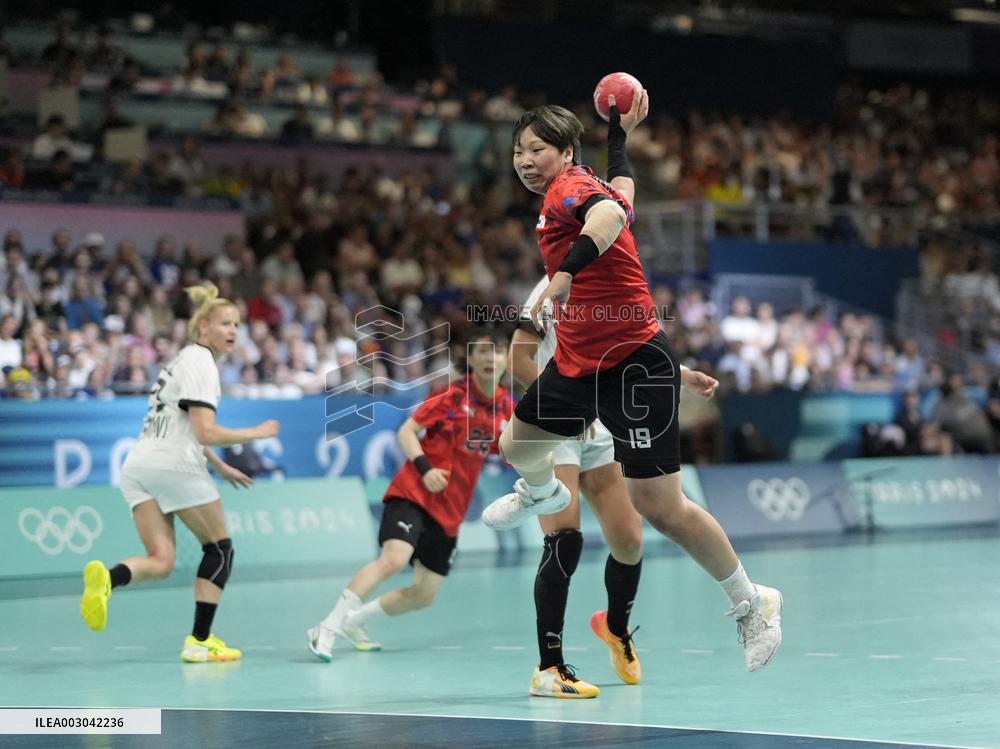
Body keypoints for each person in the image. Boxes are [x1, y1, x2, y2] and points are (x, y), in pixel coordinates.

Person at [482, 93, 783, 674]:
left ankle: (752, 600)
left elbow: (611, 216)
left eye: (536, 149)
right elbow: (624, 190)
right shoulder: (583, 182)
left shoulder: (570, 189)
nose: (524, 160)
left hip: (632, 365)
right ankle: (540, 492)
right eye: (518, 151)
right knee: (516, 445)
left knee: (659, 507)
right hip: (578, 361)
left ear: (566, 153)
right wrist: (619, 133)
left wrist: (565, 272)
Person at [79, 283, 281, 663]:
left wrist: (220, 466)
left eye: (237, 324)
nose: (233, 331)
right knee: (219, 549)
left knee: (161, 560)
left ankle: (106, 578)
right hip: (175, 466)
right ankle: (200, 640)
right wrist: (256, 432)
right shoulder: (203, 363)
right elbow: (205, 430)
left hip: (139, 465)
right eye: (224, 323)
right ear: (202, 327)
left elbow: (186, 425)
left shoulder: (182, 360)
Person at [307, 328, 513, 660]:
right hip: (414, 492)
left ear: (507, 358)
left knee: (424, 594)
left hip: (449, 512)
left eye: (499, 350)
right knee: (393, 559)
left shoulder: (506, 406)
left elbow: (509, 448)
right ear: (472, 358)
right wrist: (425, 469)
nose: (491, 357)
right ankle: (327, 627)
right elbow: (406, 432)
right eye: (484, 351)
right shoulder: (450, 395)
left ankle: (354, 620)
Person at [510, 279, 645, 699]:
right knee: (564, 540)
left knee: (629, 540)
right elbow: (517, 359)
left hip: (598, 424)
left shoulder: (615, 289)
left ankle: (615, 628)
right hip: (554, 424)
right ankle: (548, 668)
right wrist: (564, 406)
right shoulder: (547, 292)